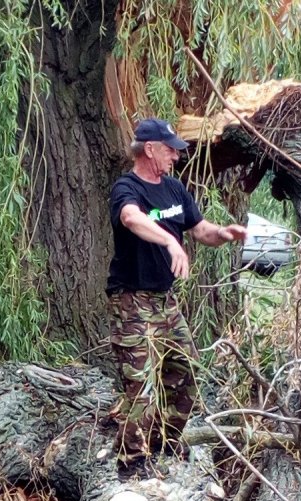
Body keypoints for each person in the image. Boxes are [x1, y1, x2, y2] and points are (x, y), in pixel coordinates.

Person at [107, 118, 247, 471]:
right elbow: (130, 219)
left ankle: (165, 441)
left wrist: (225, 233)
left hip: (165, 302)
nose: (176, 156)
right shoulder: (127, 188)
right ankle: (132, 461)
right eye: (170, 149)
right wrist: (170, 240)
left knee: (184, 369)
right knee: (140, 385)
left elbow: (201, 231)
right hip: (132, 301)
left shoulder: (173, 188)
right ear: (149, 149)